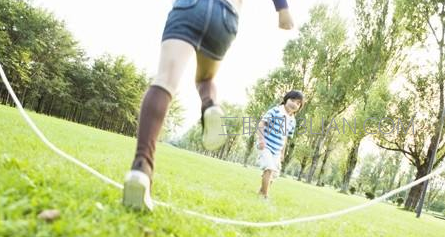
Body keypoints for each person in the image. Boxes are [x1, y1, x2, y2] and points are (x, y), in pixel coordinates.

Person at [123, 0, 296, 210]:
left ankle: (142, 166)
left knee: (165, 81)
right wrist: (282, 9)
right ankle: (210, 104)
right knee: (205, 79)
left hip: (189, 7)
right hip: (225, 14)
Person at [257, 90, 304, 199]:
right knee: (269, 168)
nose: (294, 104)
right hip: (266, 145)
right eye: (292, 100)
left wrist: (282, 152)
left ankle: (261, 191)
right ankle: (265, 196)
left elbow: (285, 137)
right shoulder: (276, 111)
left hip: (277, 150)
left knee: (274, 173)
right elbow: (261, 123)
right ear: (286, 99)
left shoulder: (293, 120)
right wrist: (261, 140)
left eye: (298, 103)